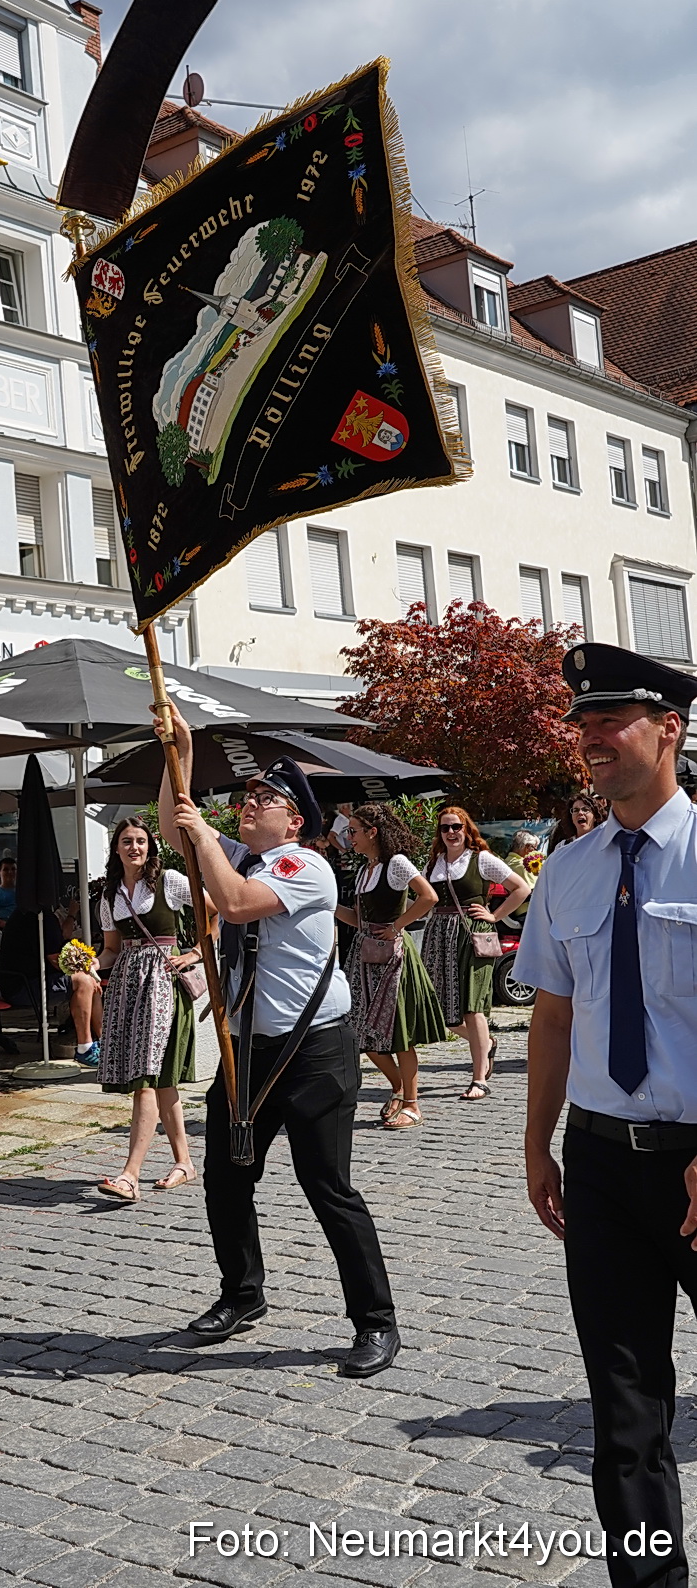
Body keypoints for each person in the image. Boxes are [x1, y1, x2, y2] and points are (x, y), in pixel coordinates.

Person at [519, 643, 697, 1588]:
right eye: (581, 720)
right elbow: (553, 1014)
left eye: (610, 718)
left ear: (667, 726)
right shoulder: (571, 869)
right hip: (598, 1166)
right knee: (624, 1414)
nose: (587, 736)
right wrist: (537, 1139)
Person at [157, 701, 399, 1376]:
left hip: (313, 1052)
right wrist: (174, 754)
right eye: (246, 796)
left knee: (328, 1188)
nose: (248, 804)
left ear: (294, 820)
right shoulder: (238, 854)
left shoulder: (305, 866)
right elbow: (173, 830)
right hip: (247, 1052)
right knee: (226, 1183)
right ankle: (241, 1295)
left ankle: (374, 1322)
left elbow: (231, 902)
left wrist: (202, 833)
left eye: (263, 799)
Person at [94, 816, 206, 1202]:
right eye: (127, 841)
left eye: (141, 841)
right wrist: (88, 964)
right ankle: (185, 1163)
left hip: (162, 983)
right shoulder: (108, 897)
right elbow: (110, 950)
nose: (134, 847)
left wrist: (193, 953)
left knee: (145, 1075)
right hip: (127, 983)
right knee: (161, 1080)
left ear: (150, 847)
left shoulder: (169, 881)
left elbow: (219, 911)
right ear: (116, 848)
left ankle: (130, 1174)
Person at [335, 803, 446, 1130]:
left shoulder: (395, 864)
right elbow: (358, 920)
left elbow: (428, 897)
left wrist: (398, 925)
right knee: (360, 1033)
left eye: (353, 830)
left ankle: (412, 1103)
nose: (349, 836)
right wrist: (326, 903)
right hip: (364, 954)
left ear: (373, 832)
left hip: (392, 956)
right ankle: (400, 1089)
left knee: (398, 1033)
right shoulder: (363, 870)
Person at [420, 806, 532, 1101]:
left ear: (466, 829)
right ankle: (487, 1044)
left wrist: (495, 915)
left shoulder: (480, 859)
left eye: (456, 826)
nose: (451, 833)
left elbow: (520, 888)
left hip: (472, 935)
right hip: (439, 937)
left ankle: (479, 1078)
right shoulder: (433, 864)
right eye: (445, 828)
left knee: (472, 1006)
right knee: (441, 1008)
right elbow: (420, 898)